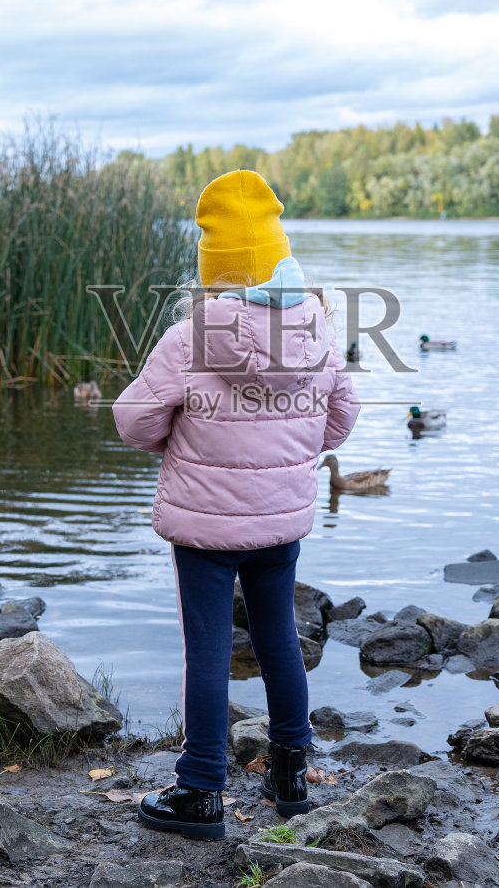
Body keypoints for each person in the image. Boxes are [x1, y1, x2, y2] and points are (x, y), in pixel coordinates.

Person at [112, 169, 359, 840]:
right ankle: (291, 777)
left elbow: (133, 423)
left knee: (209, 649)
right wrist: (292, 449)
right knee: (279, 637)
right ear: (277, 254)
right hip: (281, 520)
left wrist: (179, 433)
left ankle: (199, 790)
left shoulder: (189, 336)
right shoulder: (318, 328)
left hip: (205, 525)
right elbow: (340, 421)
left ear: (213, 268)